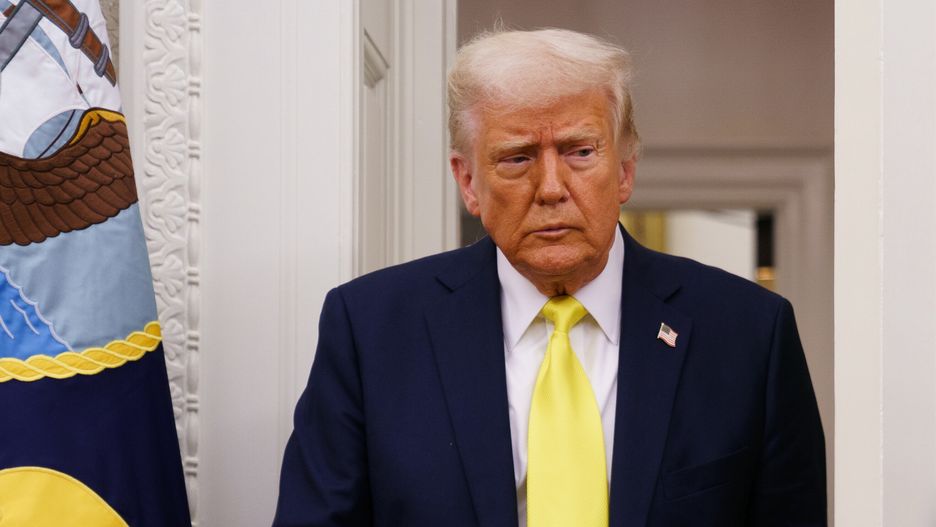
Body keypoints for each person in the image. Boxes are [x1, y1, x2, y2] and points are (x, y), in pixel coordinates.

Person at [273, 28, 826, 527]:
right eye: (517, 158)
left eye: (580, 151)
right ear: (468, 182)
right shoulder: (371, 331)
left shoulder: (749, 333)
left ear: (625, 169)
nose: (552, 188)